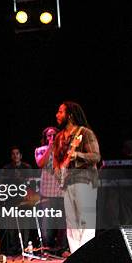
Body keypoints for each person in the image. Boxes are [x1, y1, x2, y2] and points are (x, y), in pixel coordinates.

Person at [53, 101, 100, 253]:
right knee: (72, 222)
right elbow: (56, 161)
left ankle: (86, 255)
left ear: (70, 115)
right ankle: (76, 256)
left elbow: (95, 156)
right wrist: (57, 170)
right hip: (67, 182)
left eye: (61, 112)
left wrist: (77, 155)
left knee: (86, 219)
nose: (57, 115)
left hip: (84, 180)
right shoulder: (59, 137)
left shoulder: (85, 133)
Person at [34, 127, 67, 255]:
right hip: (47, 191)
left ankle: (61, 249)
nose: (51, 137)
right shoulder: (40, 150)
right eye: (49, 135)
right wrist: (50, 147)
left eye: (54, 134)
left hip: (62, 191)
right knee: (47, 223)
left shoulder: (64, 150)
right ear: (45, 138)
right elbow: (41, 163)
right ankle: (47, 249)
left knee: (63, 223)